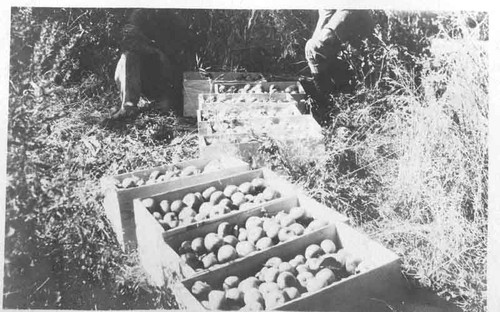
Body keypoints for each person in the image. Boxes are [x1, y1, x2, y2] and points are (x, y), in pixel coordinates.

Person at [111, 9, 193, 119]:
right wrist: (154, 51)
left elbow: (179, 55)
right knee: (128, 57)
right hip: (141, 75)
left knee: (167, 106)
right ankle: (128, 107)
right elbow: (128, 42)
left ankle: (161, 101)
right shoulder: (139, 15)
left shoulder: (173, 19)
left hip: (164, 78)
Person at [305, 9, 374, 97]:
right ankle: (327, 98)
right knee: (312, 49)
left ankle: (328, 100)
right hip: (336, 13)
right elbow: (325, 13)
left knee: (315, 47)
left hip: (352, 10)